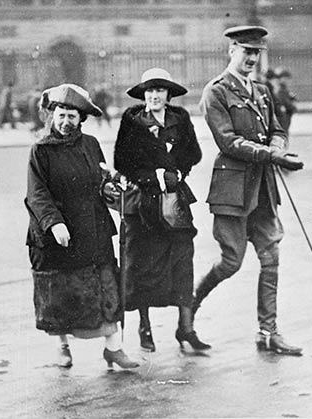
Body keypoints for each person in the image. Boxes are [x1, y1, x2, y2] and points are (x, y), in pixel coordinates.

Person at [196, 26, 305, 356]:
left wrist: (277, 145)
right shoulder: (215, 92)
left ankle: (268, 332)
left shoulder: (261, 90)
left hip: (263, 188)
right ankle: (189, 311)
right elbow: (227, 141)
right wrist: (271, 154)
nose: (252, 58)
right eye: (246, 51)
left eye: (256, 53)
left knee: (271, 257)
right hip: (232, 189)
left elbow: (277, 129)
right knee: (231, 263)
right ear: (231, 50)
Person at [26, 83, 139, 370]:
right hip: (57, 235)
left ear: (81, 120)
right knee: (60, 294)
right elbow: (37, 194)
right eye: (61, 115)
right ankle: (62, 347)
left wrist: (110, 190)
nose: (66, 122)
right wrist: (54, 224)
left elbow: (100, 180)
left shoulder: (91, 144)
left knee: (105, 288)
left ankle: (114, 349)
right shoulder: (41, 150)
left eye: (72, 117)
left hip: (93, 229)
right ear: (52, 115)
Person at [114, 68, 209, 353]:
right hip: (143, 203)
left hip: (174, 200)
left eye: (160, 90)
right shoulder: (132, 121)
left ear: (169, 95)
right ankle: (145, 326)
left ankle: (186, 328)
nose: (155, 95)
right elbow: (121, 160)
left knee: (182, 261)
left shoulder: (180, 119)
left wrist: (178, 171)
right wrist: (150, 176)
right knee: (143, 264)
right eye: (150, 91)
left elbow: (194, 153)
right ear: (143, 95)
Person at [276, 68, 298, 133]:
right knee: (284, 131)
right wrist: (293, 107)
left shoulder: (284, 88)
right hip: (284, 114)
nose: (287, 81)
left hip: (286, 113)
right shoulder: (281, 89)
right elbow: (284, 101)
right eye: (286, 78)